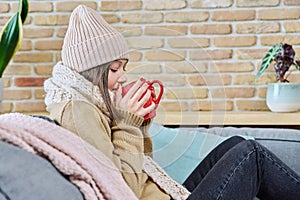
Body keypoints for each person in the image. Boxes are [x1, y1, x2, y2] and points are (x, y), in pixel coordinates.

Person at [44, 5, 300, 200]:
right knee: (250, 155)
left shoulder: (94, 100)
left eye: (123, 67)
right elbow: (120, 188)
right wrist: (128, 123)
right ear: (92, 70)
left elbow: (138, 162)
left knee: (236, 145)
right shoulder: (79, 110)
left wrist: (140, 123)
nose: (122, 76)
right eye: (114, 69)